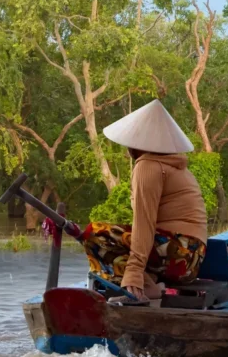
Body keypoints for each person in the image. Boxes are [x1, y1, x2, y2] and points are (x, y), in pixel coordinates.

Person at [81, 100, 209, 302]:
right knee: (122, 234)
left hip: (179, 256)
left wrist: (133, 271)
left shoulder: (148, 166)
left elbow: (144, 223)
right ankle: (151, 282)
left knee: (95, 233)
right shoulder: (175, 166)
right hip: (191, 259)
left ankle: (143, 287)